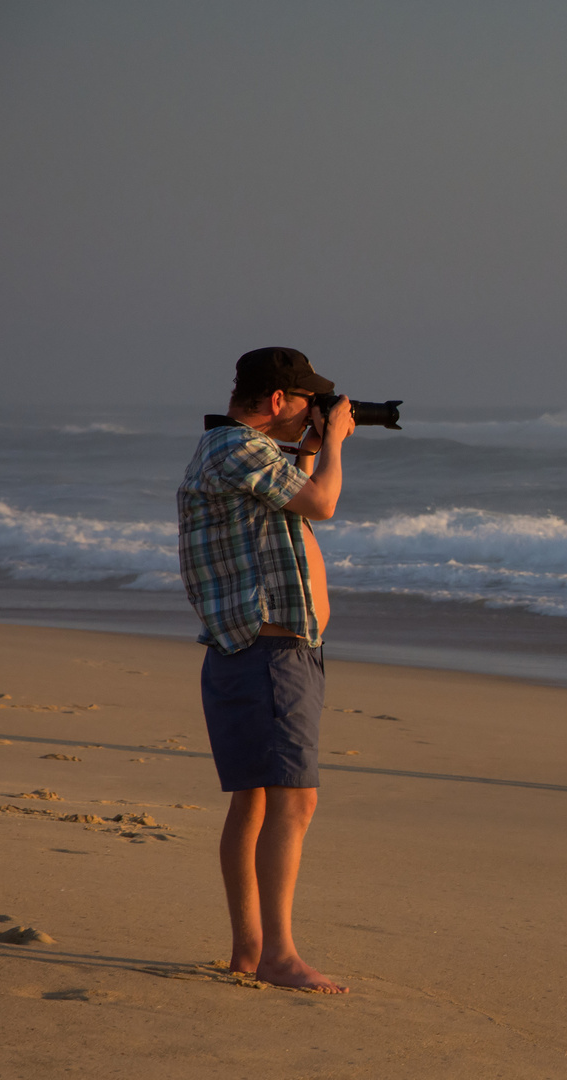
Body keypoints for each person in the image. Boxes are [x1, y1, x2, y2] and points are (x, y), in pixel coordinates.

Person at [176, 346, 355, 993]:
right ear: (277, 401)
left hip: (249, 653)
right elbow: (321, 503)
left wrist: (306, 445)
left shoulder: (227, 454)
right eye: (305, 401)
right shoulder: (239, 451)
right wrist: (333, 443)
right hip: (270, 654)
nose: (314, 410)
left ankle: (250, 949)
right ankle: (278, 953)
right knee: (293, 799)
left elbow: (283, 504)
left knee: (254, 800)